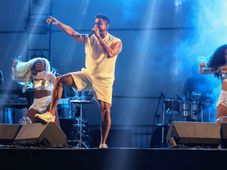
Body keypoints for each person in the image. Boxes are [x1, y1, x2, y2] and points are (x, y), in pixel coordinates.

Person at [35, 14, 122, 148]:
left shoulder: (116, 41)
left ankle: (103, 143)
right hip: (88, 74)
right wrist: (57, 22)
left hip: (104, 79)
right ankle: (50, 114)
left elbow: (110, 54)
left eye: (99, 24)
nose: (96, 26)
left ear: (106, 26)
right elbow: (72, 33)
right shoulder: (88, 38)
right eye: (95, 23)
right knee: (59, 80)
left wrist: (98, 37)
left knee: (105, 112)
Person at [12, 57, 59, 124]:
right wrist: (14, 68)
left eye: (40, 62)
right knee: (27, 125)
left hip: (48, 102)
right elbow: (16, 78)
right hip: (36, 103)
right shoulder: (32, 75)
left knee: (55, 126)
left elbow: (58, 85)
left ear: (45, 65)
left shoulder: (49, 75)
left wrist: (55, 100)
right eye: (36, 63)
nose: (38, 63)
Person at [199, 44, 227, 123]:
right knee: (220, 122)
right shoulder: (220, 68)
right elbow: (203, 71)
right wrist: (201, 67)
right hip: (224, 97)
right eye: (225, 54)